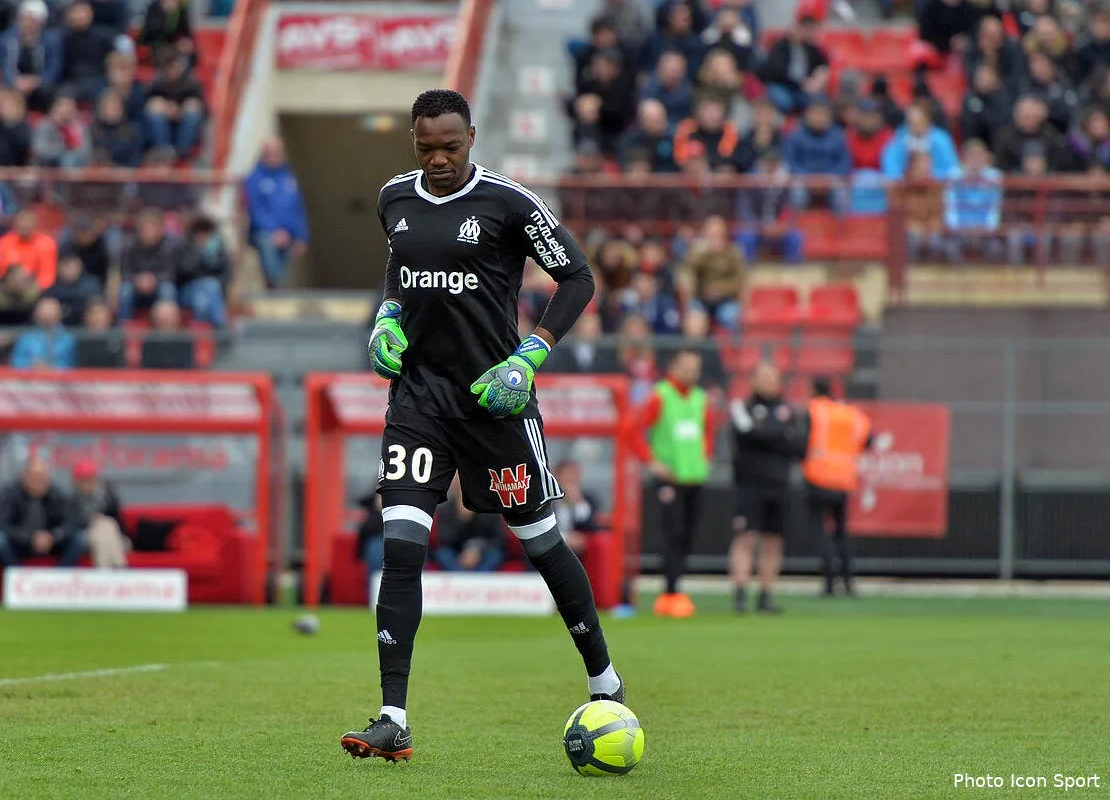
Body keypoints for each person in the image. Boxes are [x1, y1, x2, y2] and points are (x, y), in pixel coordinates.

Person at [340, 89, 621, 763]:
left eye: (450, 146)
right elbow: (401, 275)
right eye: (424, 147)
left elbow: (577, 277)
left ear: (471, 137)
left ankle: (604, 683)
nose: (437, 159)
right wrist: (386, 318)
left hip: (495, 404)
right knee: (402, 548)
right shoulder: (394, 200)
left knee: (541, 542)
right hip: (418, 403)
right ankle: (391, 717)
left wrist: (533, 354)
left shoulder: (510, 204)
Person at [630, 350, 716, 618]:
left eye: (696, 368)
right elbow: (633, 430)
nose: (692, 373)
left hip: (694, 477)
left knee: (689, 534)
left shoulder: (701, 399)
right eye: (687, 367)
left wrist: (705, 457)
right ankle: (670, 590)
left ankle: (675, 588)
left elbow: (708, 433)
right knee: (673, 533)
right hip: (669, 478)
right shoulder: (661, 395)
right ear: (674, 368)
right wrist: (651, 462)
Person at [727, 362, 805, 614]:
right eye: (763, 377)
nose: (769, 383)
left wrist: (767, 435)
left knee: (773, 541)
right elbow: (747, 434)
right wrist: (774, 435)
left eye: (773, 378)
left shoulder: (786, 410)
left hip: (778, 485)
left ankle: (766, 595)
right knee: (746, 537)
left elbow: (796, 444)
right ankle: (740, 594)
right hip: (749, 484)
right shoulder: (742, 407)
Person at [802, 377, 871, 597]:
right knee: (841, 531)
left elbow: (800, 441)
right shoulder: (849, 412)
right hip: (843, 479)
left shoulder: (814, 411)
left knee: (820, 531)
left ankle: (829, 579)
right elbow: (868, 439)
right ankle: (849, 580)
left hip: (818, 477)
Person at [0, 457, 86, 568]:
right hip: (21, 543)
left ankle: (60, 577)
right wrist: (30, 537)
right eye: (35, 477)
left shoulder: (58, 494)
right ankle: (19, 576)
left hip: (52, 543)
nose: (39, 482)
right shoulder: (10, 494)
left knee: (79, 538)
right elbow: (1, 524)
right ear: (24, 477)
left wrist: (53, 536)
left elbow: (71, 523)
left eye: (43, 478)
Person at [245, 137, 309, 288]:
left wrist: (302, 236)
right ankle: (275, 287)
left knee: (286, 262)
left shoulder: (288, 178)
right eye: (272, 153)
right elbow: (256, 210)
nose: (276, 156)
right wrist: (274, 230)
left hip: (288, 233)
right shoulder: (255, 179)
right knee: (268, 248)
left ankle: (279, 287)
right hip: (266, 232)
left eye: (278, 152)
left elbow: (297, 208)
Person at [431, 476, 508, 572]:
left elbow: (498, 539)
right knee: (443, 554)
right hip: (456, 551)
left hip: (484, 550)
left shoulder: (489, 506)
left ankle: (479, 582)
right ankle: (459, 581)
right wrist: (462, 520)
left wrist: (476, 548)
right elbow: (445, 539)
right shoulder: (445, 508)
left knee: (495, 555)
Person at [72, 459, 127, 569]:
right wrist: (91, 521)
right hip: (86, 536)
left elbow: (118, 522)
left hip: (113, 536)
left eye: (92, 479)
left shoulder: (108, 497)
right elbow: (72, 525)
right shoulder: (72, 500)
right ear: (77, 483)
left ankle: (104, 572)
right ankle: (120, 569)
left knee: (106, 525)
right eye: (85, 480)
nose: (89, 484)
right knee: (102, 530)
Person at [11, 296, 75, 369]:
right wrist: (31, 365)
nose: (47, 314)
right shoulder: (25, 337)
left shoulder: (68, 338)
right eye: (44, 310)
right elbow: (16, 362)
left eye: (51, 310)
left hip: (60, 379)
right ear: (36, 313)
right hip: (29, 377)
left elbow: (71, 364)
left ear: (59, 313)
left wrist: (52, 368)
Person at [553, 460, 600, 553]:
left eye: (575, 475)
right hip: (550, 549)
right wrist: (565, 538)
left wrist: (577, 503)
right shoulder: (546, 500)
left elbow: (591, 527)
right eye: (568, 474)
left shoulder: (588, 500)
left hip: (576, 553)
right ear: (557, 476)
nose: (572, 479)